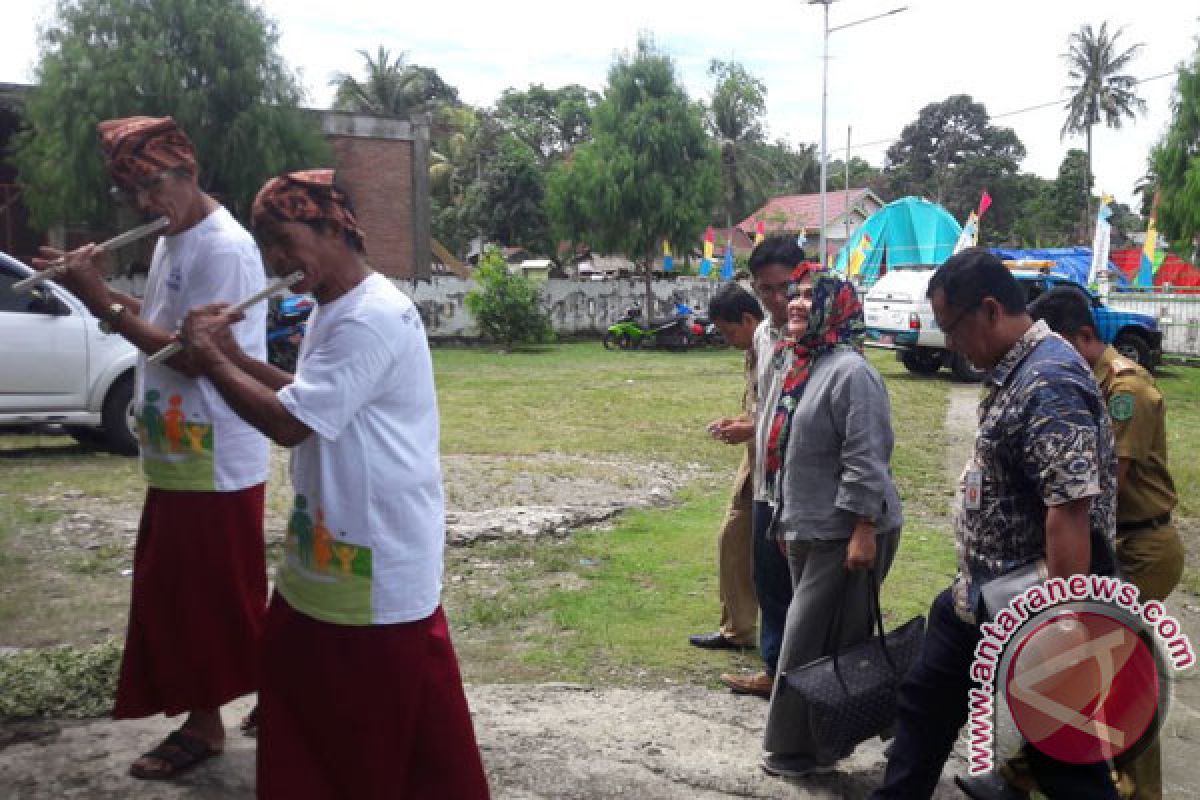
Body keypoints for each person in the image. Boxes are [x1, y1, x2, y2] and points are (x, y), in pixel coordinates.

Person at [177, 169, 489, 798]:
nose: (275, 262)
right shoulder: (333, 307)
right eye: (266, 247)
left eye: (283, 241)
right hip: (334, 547)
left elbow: (292, 425)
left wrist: (209, 361)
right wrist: (235, 357)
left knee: (367, 735)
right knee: (327, 706)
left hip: (374, 556)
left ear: (331, 229)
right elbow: (312, 397)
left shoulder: (369, 318)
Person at [32, 116, 269, 779]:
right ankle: (279, 689)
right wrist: (98, 289)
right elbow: (165, 323)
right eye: (129, 194)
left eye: (149, 187)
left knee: (201, 597)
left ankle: (204, 727)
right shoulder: (177, 235)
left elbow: (199, 358)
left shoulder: (222, 246)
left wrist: (102, 303)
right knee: (210, 593)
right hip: (178, 451)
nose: (141, 206)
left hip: (214, 454)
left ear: (187, 173)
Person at [872, 248, 1119, 799]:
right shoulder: (1019, 370)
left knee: (1061, 754)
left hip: (1033, 606)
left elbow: (1070, 512)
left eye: (952, 328)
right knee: (925, 707)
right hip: (983, 595)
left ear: (989, 310)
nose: (951, 342)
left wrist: (1062, 631)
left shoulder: (1050, 381)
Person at [1019, 286, 1180, 800]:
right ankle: (1033, 767)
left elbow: (1110, 477)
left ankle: (1136, 788)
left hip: (1141, 546)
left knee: (1118, 670)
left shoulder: (1126, 389)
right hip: (1120, 544)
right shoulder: (1088, 381)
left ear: (1084, 336)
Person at [759, 268, 904, 778]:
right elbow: (787, 452)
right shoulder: (804, 363)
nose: (796, 304)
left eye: (807, 296)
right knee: (839, 643)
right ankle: (897, 733)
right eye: (794, 295)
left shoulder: (851, 372)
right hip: (808, 525)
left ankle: (795, 749)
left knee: (808, 643)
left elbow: (867, 456)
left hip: (846, 531)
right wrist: (785, 522)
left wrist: (863, 528)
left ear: (835, 307)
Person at [718, 236, 800, 698]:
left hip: (803, 485)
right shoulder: (766, 336)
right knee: (770, 581)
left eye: (782, 287)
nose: (775, 299)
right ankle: (774, 669)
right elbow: (769, 404)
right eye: (765, 289)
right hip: (768, 480)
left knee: (803, 588)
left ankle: (805, 676)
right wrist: (750, 426)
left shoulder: (822, 337)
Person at [688, 283, 764, 652]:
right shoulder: (754, 350)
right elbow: (760, 410)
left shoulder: (774, 350)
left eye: (728, 330)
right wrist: (737, 421)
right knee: (735, 541)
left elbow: (790, 412)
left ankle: (747, 631)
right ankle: (740, 627)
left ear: (749, 319)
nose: (725, 338)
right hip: (755, 459)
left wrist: (748, 427)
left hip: (777, 466)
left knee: (744, 542)